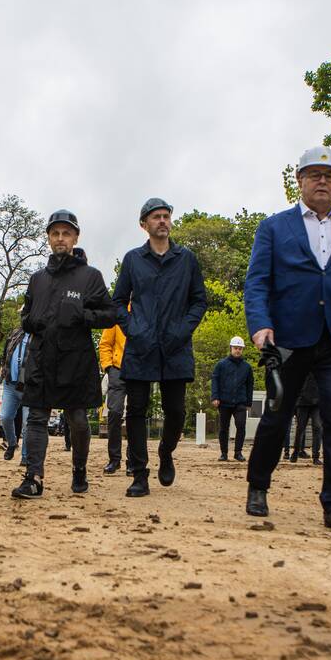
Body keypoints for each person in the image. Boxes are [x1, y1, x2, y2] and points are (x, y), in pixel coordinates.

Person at [242, 146, 331, 533]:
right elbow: (257, 282)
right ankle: (258, 486)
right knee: (277, 416)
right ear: (299, 181)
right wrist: (261, 325)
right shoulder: (274, 227)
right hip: (287, 338)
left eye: (329, 176)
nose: (321, 181)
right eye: (314, 175)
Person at [11, 210, 116, 499]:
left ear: (75, 238)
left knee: (79, 421)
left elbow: (110, 314)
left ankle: (79, 469)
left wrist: (82, 314)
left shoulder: (90, 276)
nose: (60, 238)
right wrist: (29, 322)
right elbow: (27, 314)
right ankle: (33, 478)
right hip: (41, 358)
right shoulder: (37, 279)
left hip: (76, 361)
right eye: (55, 233)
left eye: (66, 233)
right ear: (48, 237)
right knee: (36, 418)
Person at [112, 198, 207, 498]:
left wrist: (183, 329)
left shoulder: (186, 258)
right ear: (144, 224)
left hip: (175, 347)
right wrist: (134, 330)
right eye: (156, 217)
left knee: (176, 411)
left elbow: (199, 301)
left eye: (166, 216)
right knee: (136, 411)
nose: (163, 221)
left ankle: (166, 452)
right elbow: (117, 302)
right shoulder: (132, 260)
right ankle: (140, 474)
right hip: (140, 347)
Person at [211, 336, 253, 461]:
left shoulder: (247, 367)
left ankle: (238, 452)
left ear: (242, 350)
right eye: (235, 348)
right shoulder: (221, 365)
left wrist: (249, 402)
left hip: (240, 402)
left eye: (240, 348)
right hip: (224, 401)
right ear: (231, 348)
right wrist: (215, 396)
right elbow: (215, 381)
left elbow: (250, 385)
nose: (238, 350)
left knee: (241, 425)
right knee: (224, 428)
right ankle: (224, 453)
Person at [98, 322, 128, 473]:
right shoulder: (117, 314)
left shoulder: (146, 308)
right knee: (114, 413)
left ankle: (134, 461)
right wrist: (109, 367)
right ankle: (114, 459)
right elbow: (105, 344)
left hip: (140, 369)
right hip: (117, 370)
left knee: (137, 415)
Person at [0, 327, 31, 461]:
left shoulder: (40, 334)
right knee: (5, 417)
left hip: (28, 387)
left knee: (27, 424)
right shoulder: (15, 332)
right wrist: (2, 369)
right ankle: (12, 444)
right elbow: (5, 352)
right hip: (10, 384)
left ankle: (25, 456)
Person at [291, 372, 322, 465]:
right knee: (300, 428)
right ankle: (296, 452)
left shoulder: (320, 365)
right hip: (302, 402)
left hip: (317, 402)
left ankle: (316, 456)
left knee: (317, 427)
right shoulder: (302, 363)